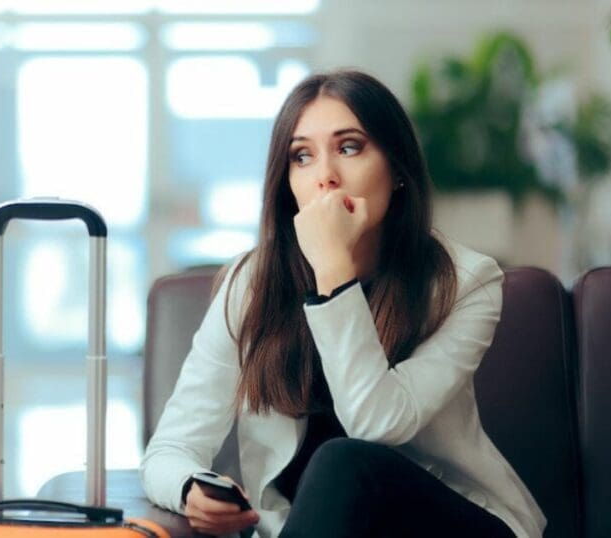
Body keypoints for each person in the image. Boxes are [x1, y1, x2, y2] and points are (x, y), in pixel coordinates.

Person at [140, 70, 546, 537]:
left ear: (397, 170)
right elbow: (169, 449)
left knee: (344, 461)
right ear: (286, 182)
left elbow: (376, 425)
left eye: (349, 148)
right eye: (302, 156)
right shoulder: (251, 284)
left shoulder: (465, 283)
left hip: (451, 524)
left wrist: (332, 267)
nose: (325, 177)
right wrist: (190, 489)